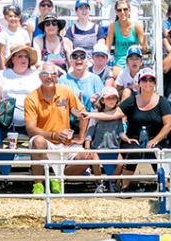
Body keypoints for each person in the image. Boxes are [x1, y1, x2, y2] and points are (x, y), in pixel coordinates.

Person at [24, 62, 96, 194]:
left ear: (57, 77)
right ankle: (38, 185)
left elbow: (82, 113)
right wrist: (53, 135)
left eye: (53, 74)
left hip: (64, 143)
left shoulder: (65, 92)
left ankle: (57, 180)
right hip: (45, 142)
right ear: (40, 76)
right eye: (46, 74)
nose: (49, 77)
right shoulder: (32, 98)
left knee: (88, 157)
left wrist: (80, 138)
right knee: (38, 141)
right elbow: (31, 128)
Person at [0, 44, 40, 140]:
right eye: (20, 56)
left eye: (26, 56)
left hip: (32, 123)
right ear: (12, 59)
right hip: (5, 122)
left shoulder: (37, 75)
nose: (24, 59)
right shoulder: (3, 74)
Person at [84, 85, 125, 192]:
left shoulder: (118, 115)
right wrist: (87, 145)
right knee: (96, 162)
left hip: (114, 147)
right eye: (108, 98)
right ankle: (99, 183)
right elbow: (90, 130)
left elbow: (120, 132)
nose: (111, 100)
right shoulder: (95, 115)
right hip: (98, 147)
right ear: (102, 100)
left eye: (114, 98)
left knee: (120, 163)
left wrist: (127, 139)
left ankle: (112, 182)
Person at [59, 46, 104, 111]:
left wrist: (94, 102)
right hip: (70, 117)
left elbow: (102, 103)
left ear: (87, 61)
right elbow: (60, 103)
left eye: (82, 56)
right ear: (70, 61)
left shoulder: (95, 79)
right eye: (75, 56)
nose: (79, 58)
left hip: (91, 118)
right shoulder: (63, 80)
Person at [105, 0, 145, 70]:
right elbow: (107, 48)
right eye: (119, 10)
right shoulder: (112, 27)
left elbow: (144, 47)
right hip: (119, 63)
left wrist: (133, 47)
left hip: (134, 60)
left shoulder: (137, 26)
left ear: (129, 10)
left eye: (125, 9)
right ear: (116, 12)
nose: (122, 12)